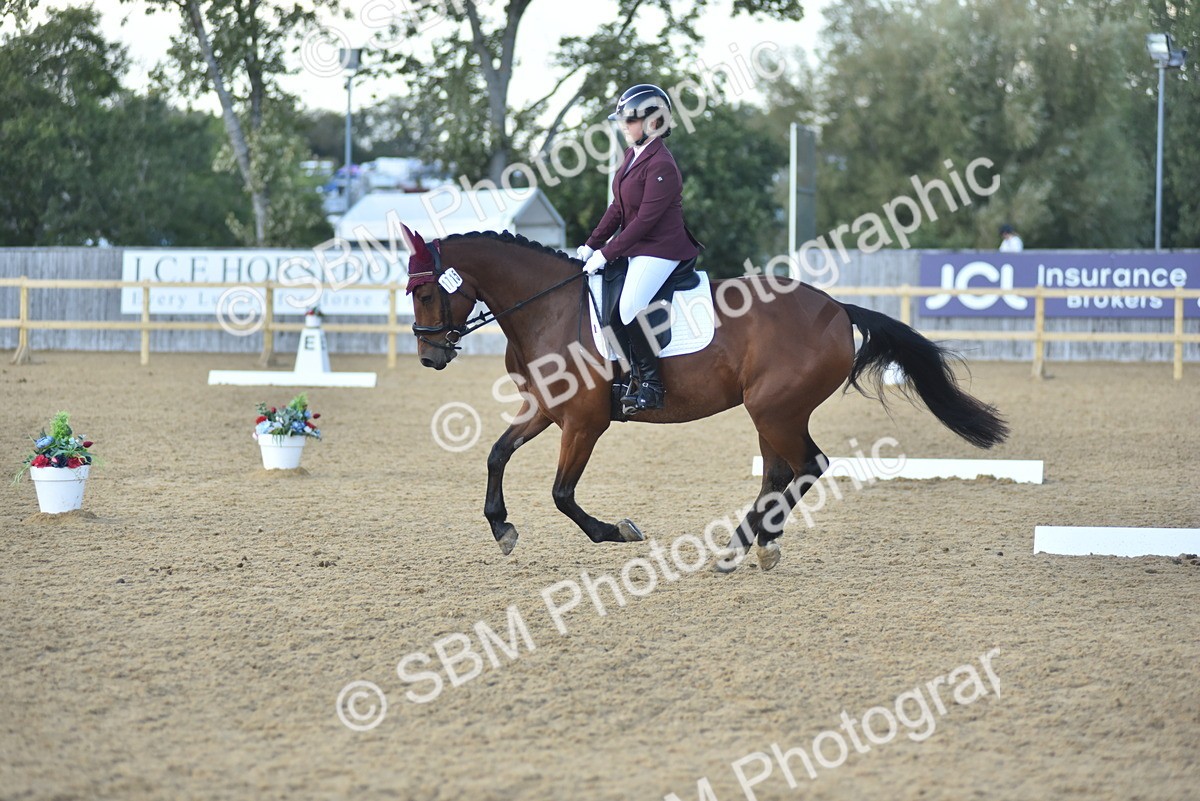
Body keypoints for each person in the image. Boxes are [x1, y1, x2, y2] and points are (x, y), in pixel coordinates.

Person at [576, 84, 701, 414]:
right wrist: (590, 245)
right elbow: (617, 207)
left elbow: (644, 221)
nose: (624, 126)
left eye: (629, 120)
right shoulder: (632, 155)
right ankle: (626, 377)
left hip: (660, 249)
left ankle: (652, 384)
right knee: (609, 303)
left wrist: (607, 253)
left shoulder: (662, 165)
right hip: (637, 247)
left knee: (629, 306)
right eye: (623, 120)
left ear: (653, 122)